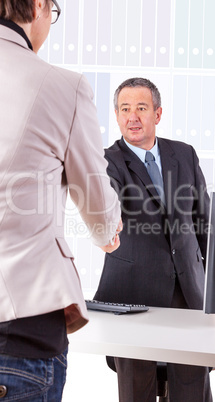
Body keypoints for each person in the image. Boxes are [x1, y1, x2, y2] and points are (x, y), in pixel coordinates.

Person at [0, 0, 121, 400]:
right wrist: (107, 232)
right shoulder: (61, 86)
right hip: (18, 334)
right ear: (37, 6)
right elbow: (99, 208)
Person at [94, 77, 212, 402]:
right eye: (125, 109)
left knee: (191, 392)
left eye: (141, 108)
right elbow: (108, 202)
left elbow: (205, 225)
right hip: (133, 297)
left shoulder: (184, 155)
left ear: (157, 114)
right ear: (116, 115)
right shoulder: (106, 161)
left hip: (187, 296)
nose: (132, 117)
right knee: (137, 393)